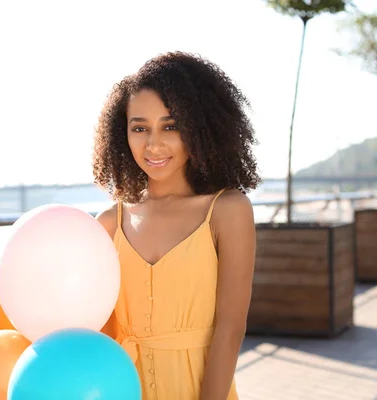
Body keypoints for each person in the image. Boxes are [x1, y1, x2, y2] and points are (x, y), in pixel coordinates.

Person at [92, 51, 260, 400]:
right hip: (124, 389)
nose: (154, 144)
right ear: (122, 134)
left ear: (199, 129)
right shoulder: (108, 223)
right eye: (140, 128)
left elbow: (231, 329)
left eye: (171, 126)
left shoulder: (227, 211)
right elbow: (99, 334)